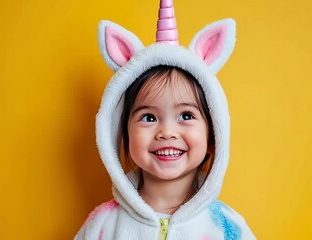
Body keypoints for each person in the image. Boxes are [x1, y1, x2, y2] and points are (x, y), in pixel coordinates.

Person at [75, 0, 256, 239]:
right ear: (123, 134)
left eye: (186, 115)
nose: (166, 132)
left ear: (214, 135)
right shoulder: (102, 226)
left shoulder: (228, 228)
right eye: (149, 117)